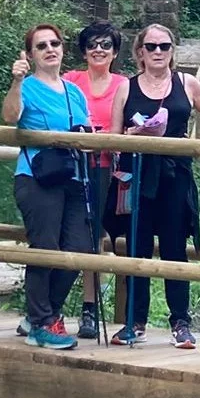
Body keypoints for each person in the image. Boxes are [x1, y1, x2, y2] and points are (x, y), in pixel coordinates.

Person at [114, 22, 200, 349]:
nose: (158, 52)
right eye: (151, 46)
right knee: (137, 247)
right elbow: (114, 135)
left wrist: (199, 147)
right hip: (137, 174)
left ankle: (180, 321)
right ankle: (135, 320)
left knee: (175, 248)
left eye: (164, 46)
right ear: (140, 52)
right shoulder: (127, 87)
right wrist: (132, 136)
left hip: (175, 175)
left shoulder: (186, 83)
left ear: (172, 51)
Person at [1, 24, 92, 351]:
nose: (50, 49)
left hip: (74, 177)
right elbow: (10, 117)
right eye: (41, 46)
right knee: (46, 248)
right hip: (37, 177)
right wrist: (16, 81)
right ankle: (42, 323)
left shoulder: (74, 91)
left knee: (80, 249)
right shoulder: (26, 87)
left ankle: (40, 315)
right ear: (31, 54)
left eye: (55, 43)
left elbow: (88, 131)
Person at [71, 21, 131, 341]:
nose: (99, 50)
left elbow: (128, 125)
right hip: (73, 166)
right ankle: (75, 307)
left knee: (102, 236)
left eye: (106, 45)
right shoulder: (71, 80)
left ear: (115, 52)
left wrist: (104, 138)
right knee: (77, 235)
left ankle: (103, 309)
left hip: (108, 169)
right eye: (92, 44)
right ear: (84, 51)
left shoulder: (123, 84)